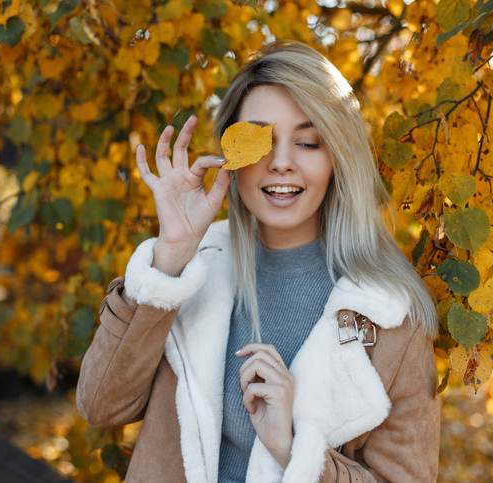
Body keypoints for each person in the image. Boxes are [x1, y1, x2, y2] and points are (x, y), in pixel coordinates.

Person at [76, 40, 440, 483]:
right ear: (232, 156)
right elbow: (100, 405)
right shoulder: (195, 270)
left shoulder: (390, 320)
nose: (281, 163)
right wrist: (170, 256)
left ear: (337, 159)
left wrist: (295, 449)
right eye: (259, 140)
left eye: (308, 142)